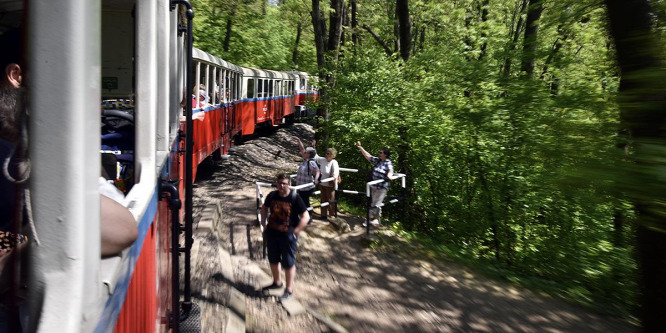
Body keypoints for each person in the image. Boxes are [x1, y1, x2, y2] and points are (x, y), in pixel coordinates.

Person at [259, 173, 309, 302]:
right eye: (279, 183)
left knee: (288, 262)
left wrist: (296, 231)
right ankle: (277, 282)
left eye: (284, 183)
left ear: (289, 184)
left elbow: (306, 216)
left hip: (288, 236)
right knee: (273, 259)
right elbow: (264, 208)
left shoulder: (295, 198)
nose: (281, 186)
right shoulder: (272, 195)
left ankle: (289, 289)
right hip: (272, 232)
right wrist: (263, 223)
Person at [293, 137, 339, 219]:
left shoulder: (334, 162)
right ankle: (323, 215)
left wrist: (334, 177)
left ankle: (332, 215)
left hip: (329, 184)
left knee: (331, 200)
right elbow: (316, 156)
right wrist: (314, 147)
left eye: (329, 153)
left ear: (332, 155)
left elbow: (336, 172)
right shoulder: (323, 160)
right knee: (323, 199)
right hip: (322, 184)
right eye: (326, 153)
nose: (327, 154)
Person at [356, 141, 393, 225]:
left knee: (374, 204)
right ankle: (377, 220)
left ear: (385, 154)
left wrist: (390, 175)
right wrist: (360, 147)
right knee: (377, 204)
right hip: (374, 186)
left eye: (381, 152)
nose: (379, 153)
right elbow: (368, 156)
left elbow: (390, 170)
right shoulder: (378, 160)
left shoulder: (388, 163)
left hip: (382, 188)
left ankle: (368, 220)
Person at [291, 136, 320, 221]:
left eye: (306, 152)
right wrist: (299, 140)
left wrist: (316, 179)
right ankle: (305, 217)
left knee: (305, 203)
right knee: (302, 202)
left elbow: (317, 171)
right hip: (301, 186)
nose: (304, 152)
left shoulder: (311, 162)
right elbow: (301, 148)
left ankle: (308, 218)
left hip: (306, 187)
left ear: (309, 154)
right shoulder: (306, 160)